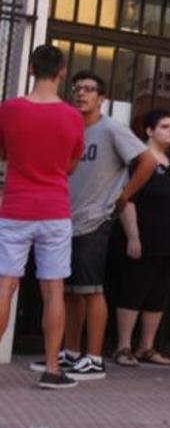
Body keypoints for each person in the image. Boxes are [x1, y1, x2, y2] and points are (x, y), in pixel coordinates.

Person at [56, 70, 157, 381]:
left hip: (95, 219)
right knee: (71, 292)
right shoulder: (71, 127)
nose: (81, 94)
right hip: (65, 220)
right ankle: (72, 352)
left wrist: (123, 196)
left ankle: (95, 357)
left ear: (102, 98)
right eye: (77, 89)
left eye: (88, 90)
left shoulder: (112, 128)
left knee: (92, 290)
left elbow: (148, 161)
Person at [0, 45, 84, 389]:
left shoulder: (9, 110)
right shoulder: (72, 117)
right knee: (53, 289)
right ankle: (52, 368)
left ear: (32, 68)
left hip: (15, 206)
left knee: (5, 284)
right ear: (62, 71)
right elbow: (72, 164)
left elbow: (4, 154)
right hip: (54, 209)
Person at [111, 108, 170, 367]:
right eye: (165, 126)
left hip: (169, 241)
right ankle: (123, 347)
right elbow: (126, 200)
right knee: (134, 289)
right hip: (144, 238)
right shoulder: (140, 161)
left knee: (158, 294)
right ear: (149, 131)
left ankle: (146, 346)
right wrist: (133, 236)